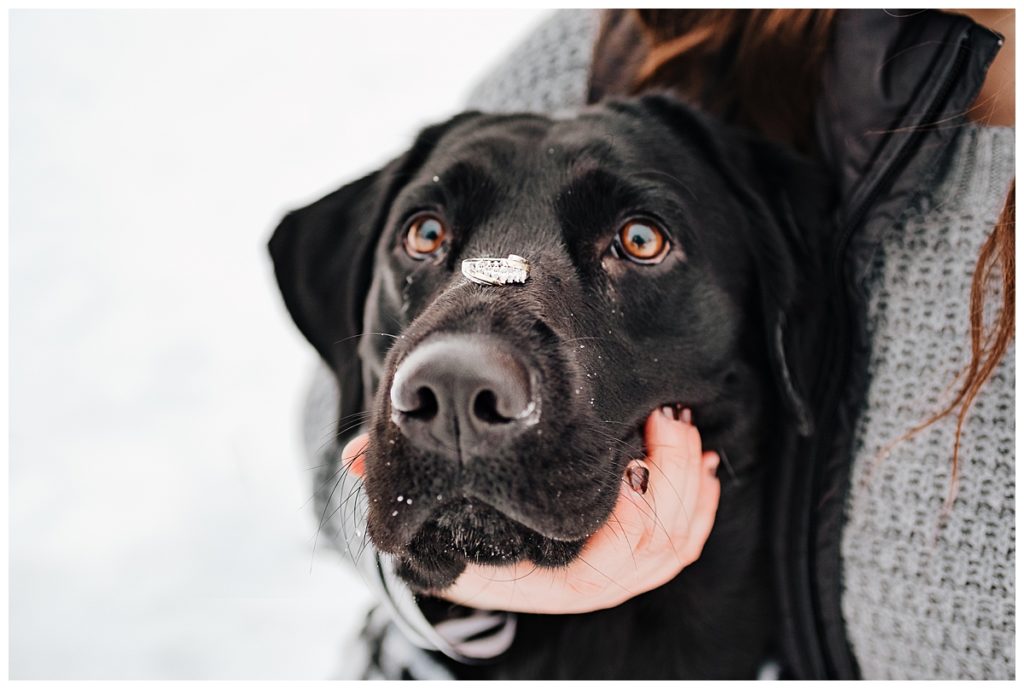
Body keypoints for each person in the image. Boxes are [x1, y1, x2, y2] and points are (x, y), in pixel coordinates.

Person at [301, 8, 1014, 680]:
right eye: (426, 236)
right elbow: (327, 421)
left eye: (639, 241)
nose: (457, 377)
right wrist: (451, 590)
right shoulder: (640, 30)